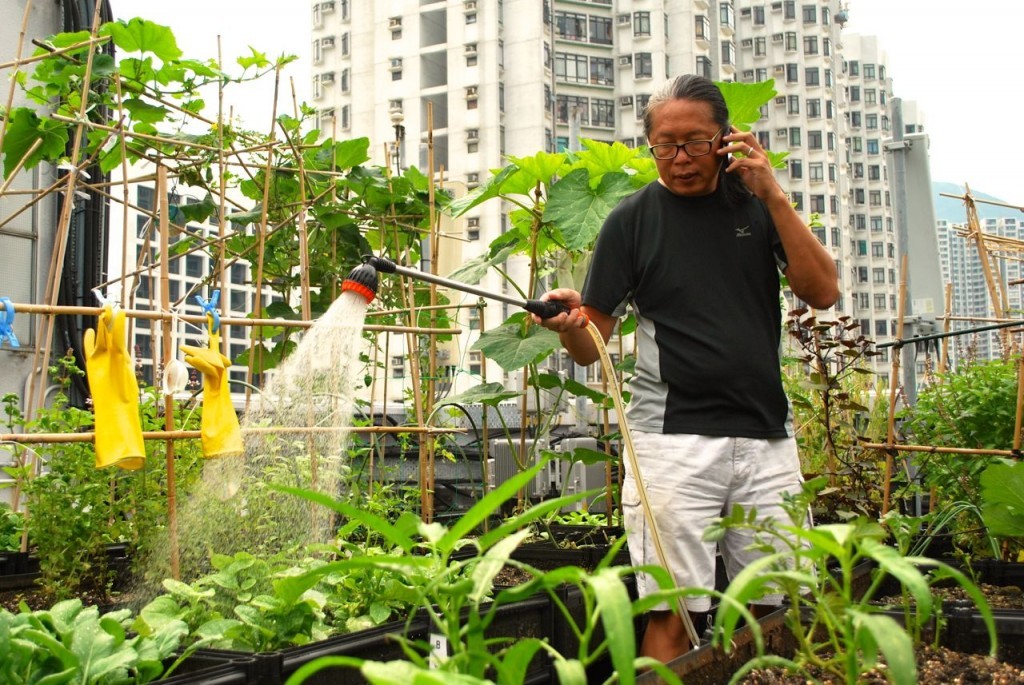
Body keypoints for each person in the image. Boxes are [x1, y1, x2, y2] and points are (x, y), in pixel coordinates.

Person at [533, 74, 839, 662]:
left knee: (780, 613)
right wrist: (571, 326)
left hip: (766, 439)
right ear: (649, 146)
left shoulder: (756, 204)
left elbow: (821, 291)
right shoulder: (631, 221)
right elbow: (593, 339)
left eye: (696, 143)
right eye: (665, 146)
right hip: (671, 445)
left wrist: (774, 193)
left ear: (726, 140)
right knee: (675, 610)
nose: (680, 159)